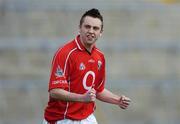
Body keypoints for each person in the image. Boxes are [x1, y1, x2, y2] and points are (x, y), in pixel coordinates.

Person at [43, 8, 131, 124]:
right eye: (87, 27)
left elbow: (98, 90)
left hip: (87, 118)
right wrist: (82, 98)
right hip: (62, 119)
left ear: (101, 32)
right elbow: (55, 91)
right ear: (79, 28)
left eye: (95, 28)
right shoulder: (65, 53)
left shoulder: (99, 57)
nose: (91, 31)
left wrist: (117, 100)